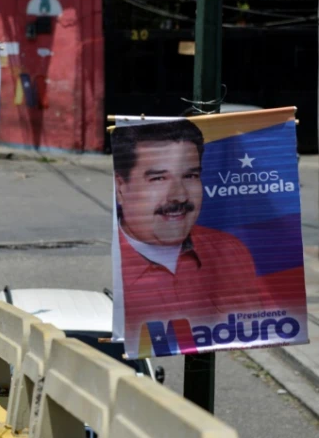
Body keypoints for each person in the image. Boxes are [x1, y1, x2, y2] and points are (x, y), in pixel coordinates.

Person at [112, 120, 268, 331]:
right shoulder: (108, 266)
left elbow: (252, 328)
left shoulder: (231, 252)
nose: (179, 195)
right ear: (121, 188)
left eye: (190, 176)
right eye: (158, 178)